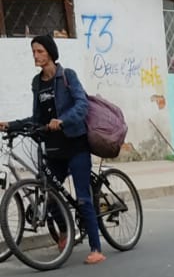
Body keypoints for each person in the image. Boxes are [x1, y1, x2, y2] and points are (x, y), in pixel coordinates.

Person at [0, 36, 105, 264]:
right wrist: (12, 125)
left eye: (39, 51)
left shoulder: (67, 76)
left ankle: (96, 248)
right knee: (47, 196)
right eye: (33, 52)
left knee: (84, 198)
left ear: (50, 52)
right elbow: (37, 118)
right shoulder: (37, 83)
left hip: (75, 145)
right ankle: (65, 232)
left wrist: (63, 120)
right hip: (54, 149)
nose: (36, 56)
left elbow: (82, 104)